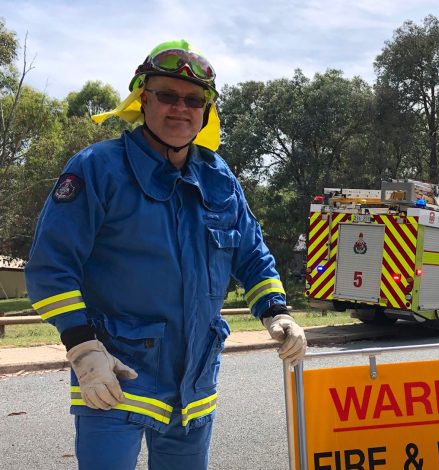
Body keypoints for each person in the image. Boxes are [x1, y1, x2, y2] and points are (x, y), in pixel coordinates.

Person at [24, 39, 306, 469]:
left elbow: (251, 253)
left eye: (194, 100)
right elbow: (50, 269)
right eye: (168, 95)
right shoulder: (96, 168)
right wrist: (83, 349)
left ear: (206, 111)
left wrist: (277, 311)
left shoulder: (219, 177)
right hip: (114, 376)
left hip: (193, 389)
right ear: (143, 98)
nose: (181, 108)